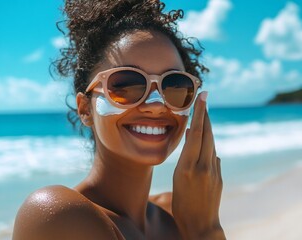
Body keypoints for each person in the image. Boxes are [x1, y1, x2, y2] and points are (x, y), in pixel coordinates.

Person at [13, 0, 225, 239]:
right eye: (126, 84)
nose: (156, 105)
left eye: (175, 85)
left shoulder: (178, 214)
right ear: (85, 109)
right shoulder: (58, 215)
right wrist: (205, 229)